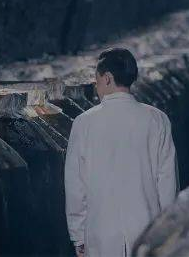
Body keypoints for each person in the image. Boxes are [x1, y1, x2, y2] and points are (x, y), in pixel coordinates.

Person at [64, 48, 178, 257]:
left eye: (97, 80)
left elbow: (76, 187)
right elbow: (167, 182)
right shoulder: (157, 119)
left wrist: (78, 236)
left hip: (101, 234)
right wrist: (167, 233)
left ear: (107, 78)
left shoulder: (83, 123)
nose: (96, 85)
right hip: (147, 232)